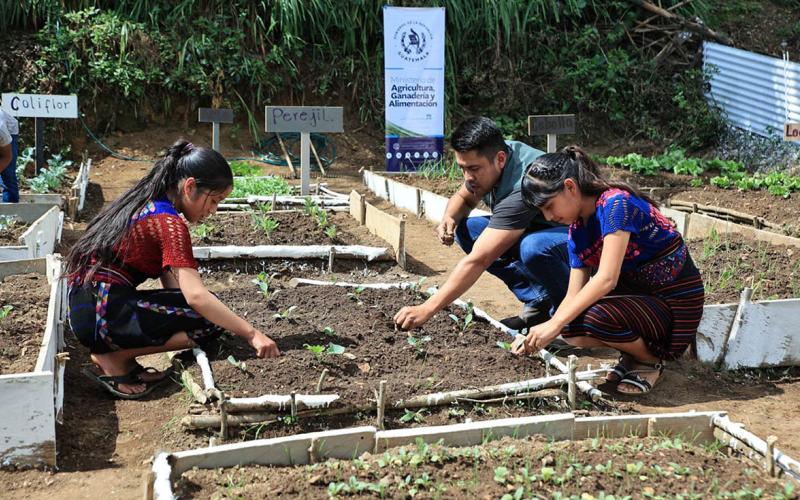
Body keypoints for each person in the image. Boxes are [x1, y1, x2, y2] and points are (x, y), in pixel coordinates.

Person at [66, 139, 279, 399]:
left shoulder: (148, 203)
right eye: (214, 200)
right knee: (208, 321)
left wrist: (184, 310)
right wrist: (252, 334)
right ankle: (115, 358)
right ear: (190, 187)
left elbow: (175, 286)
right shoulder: (169, 223)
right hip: (103, 313)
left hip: (86, 309)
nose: (214, 210)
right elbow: (196, 296)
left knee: (201, 312)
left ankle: (121, 355)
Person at [513, 145, 704, 395]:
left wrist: (554, 324)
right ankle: (631, 355)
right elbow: (572, 295)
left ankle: (650, 360)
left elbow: (606, 279)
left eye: (549, 206)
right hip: (637, 302)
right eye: (542, 211)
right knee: (569, 325)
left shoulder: (615, 205)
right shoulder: (577, 230)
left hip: (673, 305)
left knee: (594, 317)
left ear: (570, 187)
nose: (548, 217)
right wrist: (546, 330)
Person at [394, 116, 570, 332]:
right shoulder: (493, 158)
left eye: (473, 168)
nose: (467, 177)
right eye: (462, 168)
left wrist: (427, 308)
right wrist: (449, 217)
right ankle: (540, 301)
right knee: (468, 230)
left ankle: (568, 320)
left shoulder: (523, 185)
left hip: (578, 238)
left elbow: (480, 259)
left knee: (533, 247)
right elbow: (464, 198)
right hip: (539, 229)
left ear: (500, 159)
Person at [0, 108, 19, 203]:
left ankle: (10, 208)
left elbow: (7, 157)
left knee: (8, 174)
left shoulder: (1, 131)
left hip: (10, 131)